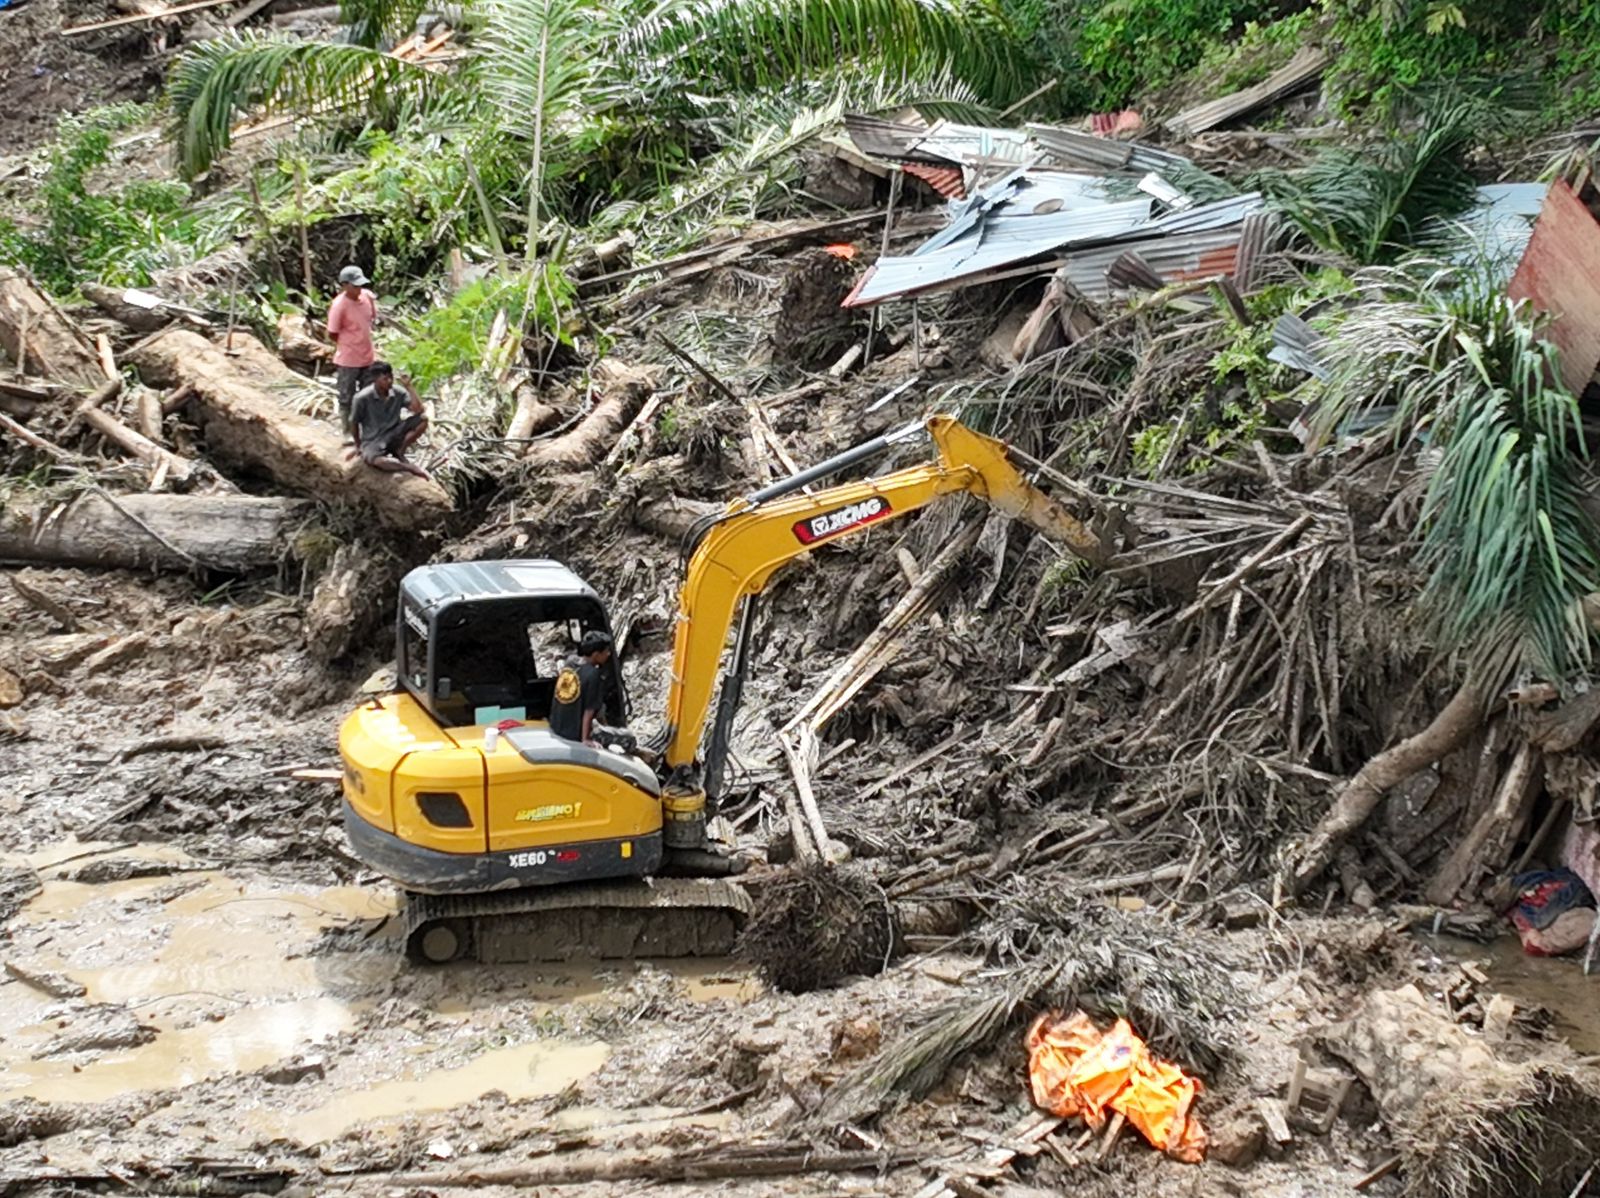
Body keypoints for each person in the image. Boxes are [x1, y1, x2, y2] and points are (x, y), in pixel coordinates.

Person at [349, 361, 430, 479]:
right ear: (375, 379)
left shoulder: (398, 392)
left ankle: (399, 450)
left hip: (395, 431)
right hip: (374, 439)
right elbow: (354, 422)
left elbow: (418, 410)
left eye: (391, 378)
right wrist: (358, 445)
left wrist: (409, 386)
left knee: (422, 420)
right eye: (385, 379)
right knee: (375, 461)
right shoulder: (361, 398)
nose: (390, 381)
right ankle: (408, 467)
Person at [326, 265, 378, 434]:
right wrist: (348, 344)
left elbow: (372, 319)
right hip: (348, 359)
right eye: (354, 286)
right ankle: (348, 432)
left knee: (368, 395)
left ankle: (368, 430)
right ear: (345, 285)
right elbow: (332, 332)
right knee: (346, 397)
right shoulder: (339, 305)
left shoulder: (367, 297)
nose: (358, 289)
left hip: (367, 356)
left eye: (360, 285)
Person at [548, 631, 613, 746]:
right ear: (596, 654)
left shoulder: (570, 663)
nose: (608, 654)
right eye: (606, 651)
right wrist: (585, 739)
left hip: (556, 728)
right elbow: (589, 711)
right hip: (573, 735)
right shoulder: (593, 674)